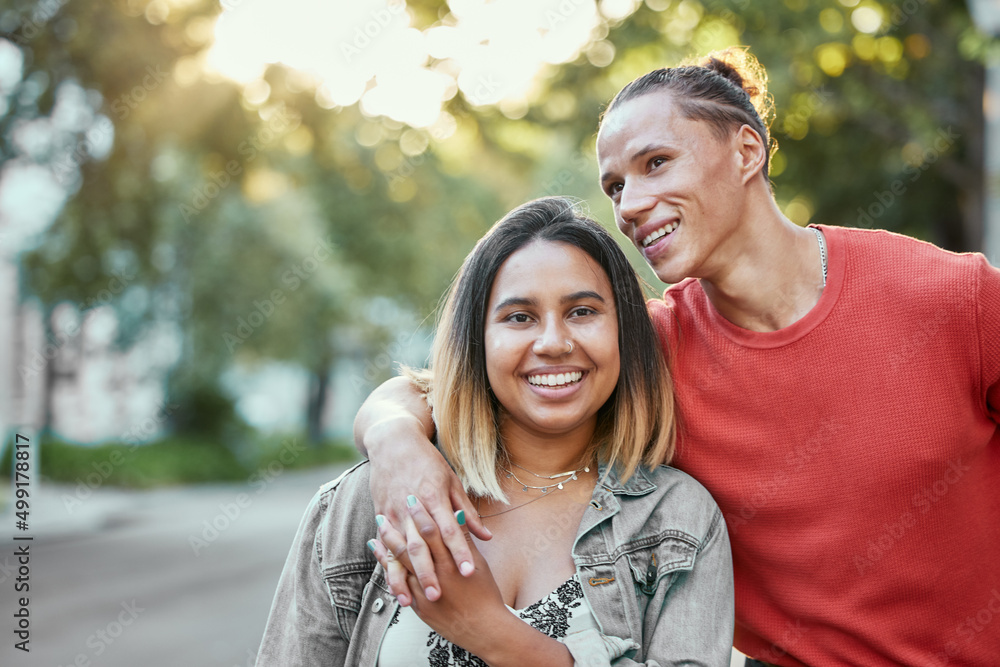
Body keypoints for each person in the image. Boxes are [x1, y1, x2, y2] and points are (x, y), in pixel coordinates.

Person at [354, 47, 1000, 667]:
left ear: (747, 150)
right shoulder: (646, 351)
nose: (629, 207)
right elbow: (444, 384)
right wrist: (394, 440)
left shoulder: (952, 297)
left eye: (655, 163)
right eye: (614, 185)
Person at [258, 197, 735, 666]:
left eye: (582, 311)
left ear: (624, 333)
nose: (552, 343)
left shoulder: (678, 522)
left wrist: (492, 633)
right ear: (478, 341)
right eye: (519, 317)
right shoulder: (370, 500)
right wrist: (393, 433)